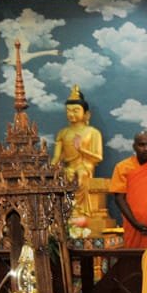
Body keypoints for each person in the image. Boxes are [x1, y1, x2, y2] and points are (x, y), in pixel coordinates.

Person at [109, 132, 147, 249]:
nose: (146, 148)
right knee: (134, 258)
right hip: (133, 229)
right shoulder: (122, 168)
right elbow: (119, 199)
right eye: (142, 145)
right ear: (134, 147)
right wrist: (135, 224)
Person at [51, 85, 103, 217]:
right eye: (68, 111)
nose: (71, 114)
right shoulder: (63, 133)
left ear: (86, 114)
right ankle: (65, 211)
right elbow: (57, 157)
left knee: (80, 175)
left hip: (85, 166)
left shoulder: (93, 133)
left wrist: (81, 149)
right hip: (69, 166)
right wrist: (50, 169)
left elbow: (98, 157)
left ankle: (81, 211)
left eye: (75, 110)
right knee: (64, 175)